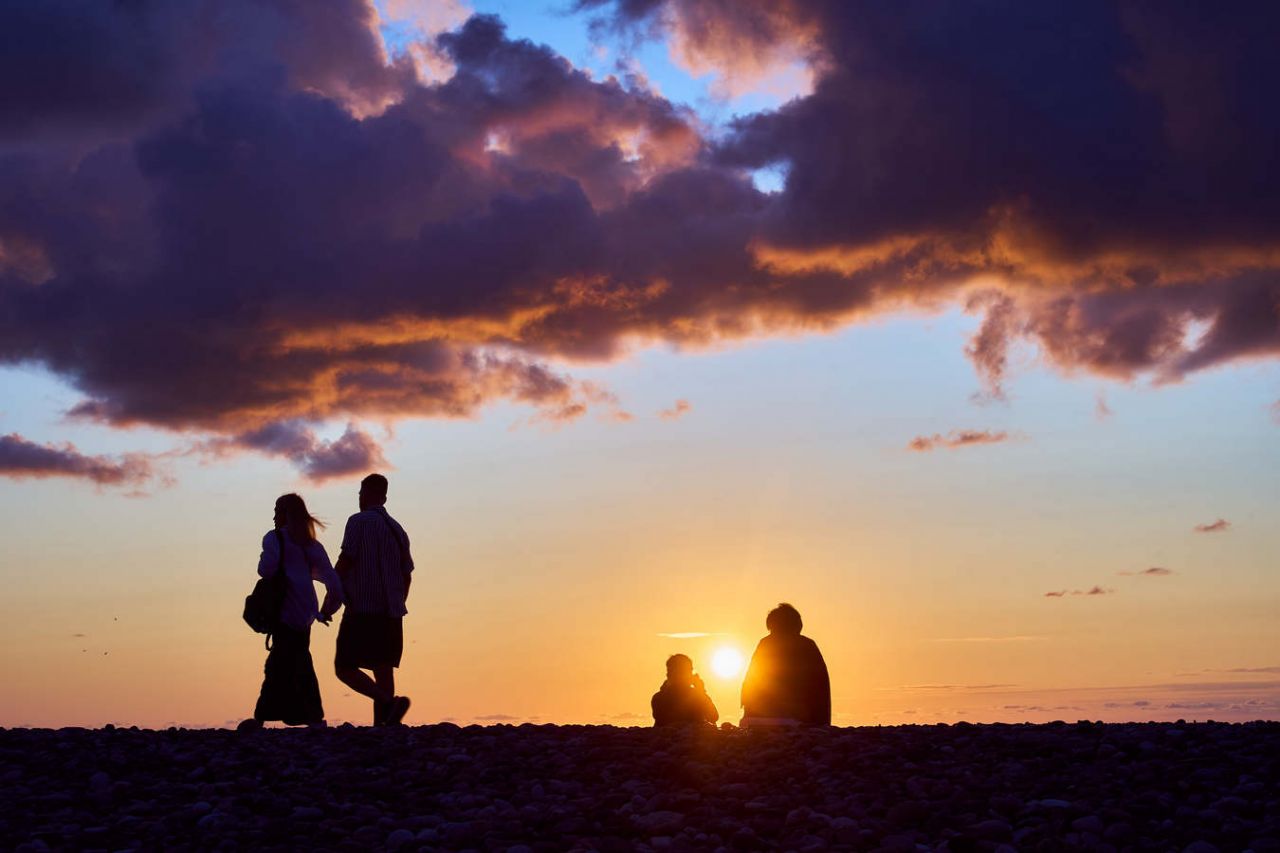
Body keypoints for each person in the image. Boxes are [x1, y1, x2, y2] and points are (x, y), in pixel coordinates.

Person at [240, 493, 343, 730]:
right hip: (306, 612)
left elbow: (265, 570)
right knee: (293, 659)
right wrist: (326, 610)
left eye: (277, 511)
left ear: (285, 514)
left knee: (283, 662)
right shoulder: (312, 546)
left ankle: (275, 718)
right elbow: (334, 584)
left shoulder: (274, 538)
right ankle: (298, 716)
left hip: (284, 609)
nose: (274, 517)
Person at [334, 473, 414, 726]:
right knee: (383, 667)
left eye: (360, 493)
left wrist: (331, 594)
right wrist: (399, 601)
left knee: (344, 667)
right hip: (391, 611)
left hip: (362, 607)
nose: (359, 498)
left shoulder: (358, 521)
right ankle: (383, 726)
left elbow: (346, 560)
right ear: (384, 497)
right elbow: (407, 573)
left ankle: (388, 703)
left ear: (366, 494)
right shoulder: (398, 530)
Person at [740, 603, 831, 727]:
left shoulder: (765, 644)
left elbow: (750, 682)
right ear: (797, 625)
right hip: (798, 719)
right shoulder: (807, 646)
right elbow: (821, 689)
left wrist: (749, 714)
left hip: (759, 718)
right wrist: (822, 724)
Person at [651, 654, 719, 727]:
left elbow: (713, 717)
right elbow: (713, 717)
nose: (668, 674)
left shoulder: (659, 697)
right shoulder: (697, 697)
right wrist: (701, 691)